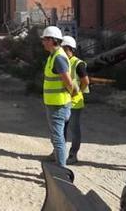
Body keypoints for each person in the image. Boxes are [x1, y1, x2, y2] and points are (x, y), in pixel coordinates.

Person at [41, 26, 79, 167]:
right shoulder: (54, 56)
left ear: (52, 40)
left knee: (58, 139)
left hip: (59, 105)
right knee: (57, 138)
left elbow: (68, 81)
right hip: (54, 103)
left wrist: (72, 94)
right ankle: (60, 167)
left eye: (45, 39)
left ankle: (62, 171)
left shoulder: (58, 58)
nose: (43, 42)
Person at [61, 36, 89, 165]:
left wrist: (78, 92)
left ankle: (73, 154)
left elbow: (85, 81)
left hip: (75, 102)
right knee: (62, 128)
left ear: (69, 48)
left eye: (62, 48)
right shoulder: (62, 61)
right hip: (63, 100)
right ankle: (60, 151)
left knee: (74, 129)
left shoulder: (78, 63)